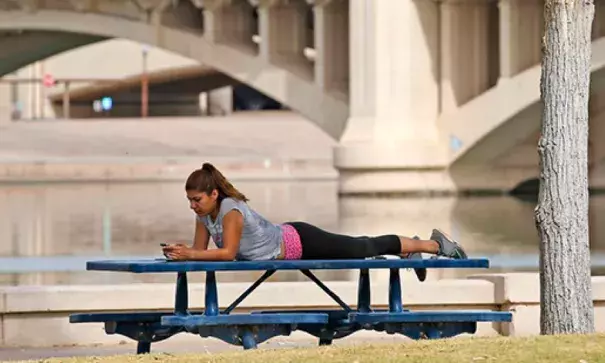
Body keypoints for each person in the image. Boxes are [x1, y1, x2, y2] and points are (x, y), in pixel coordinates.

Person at [162, 163, 468, 276]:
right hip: (286, 245)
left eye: (196, 200)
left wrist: (191, 254)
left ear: (214, 194)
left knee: (361, 247)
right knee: (360, 249)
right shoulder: (205, 215)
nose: (192, 206)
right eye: (189, 200)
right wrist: (182, 253)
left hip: (298, 241)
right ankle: (407, 249)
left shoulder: (230, 210)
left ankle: (432, 244)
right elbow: (200, 251)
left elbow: (226, 255)